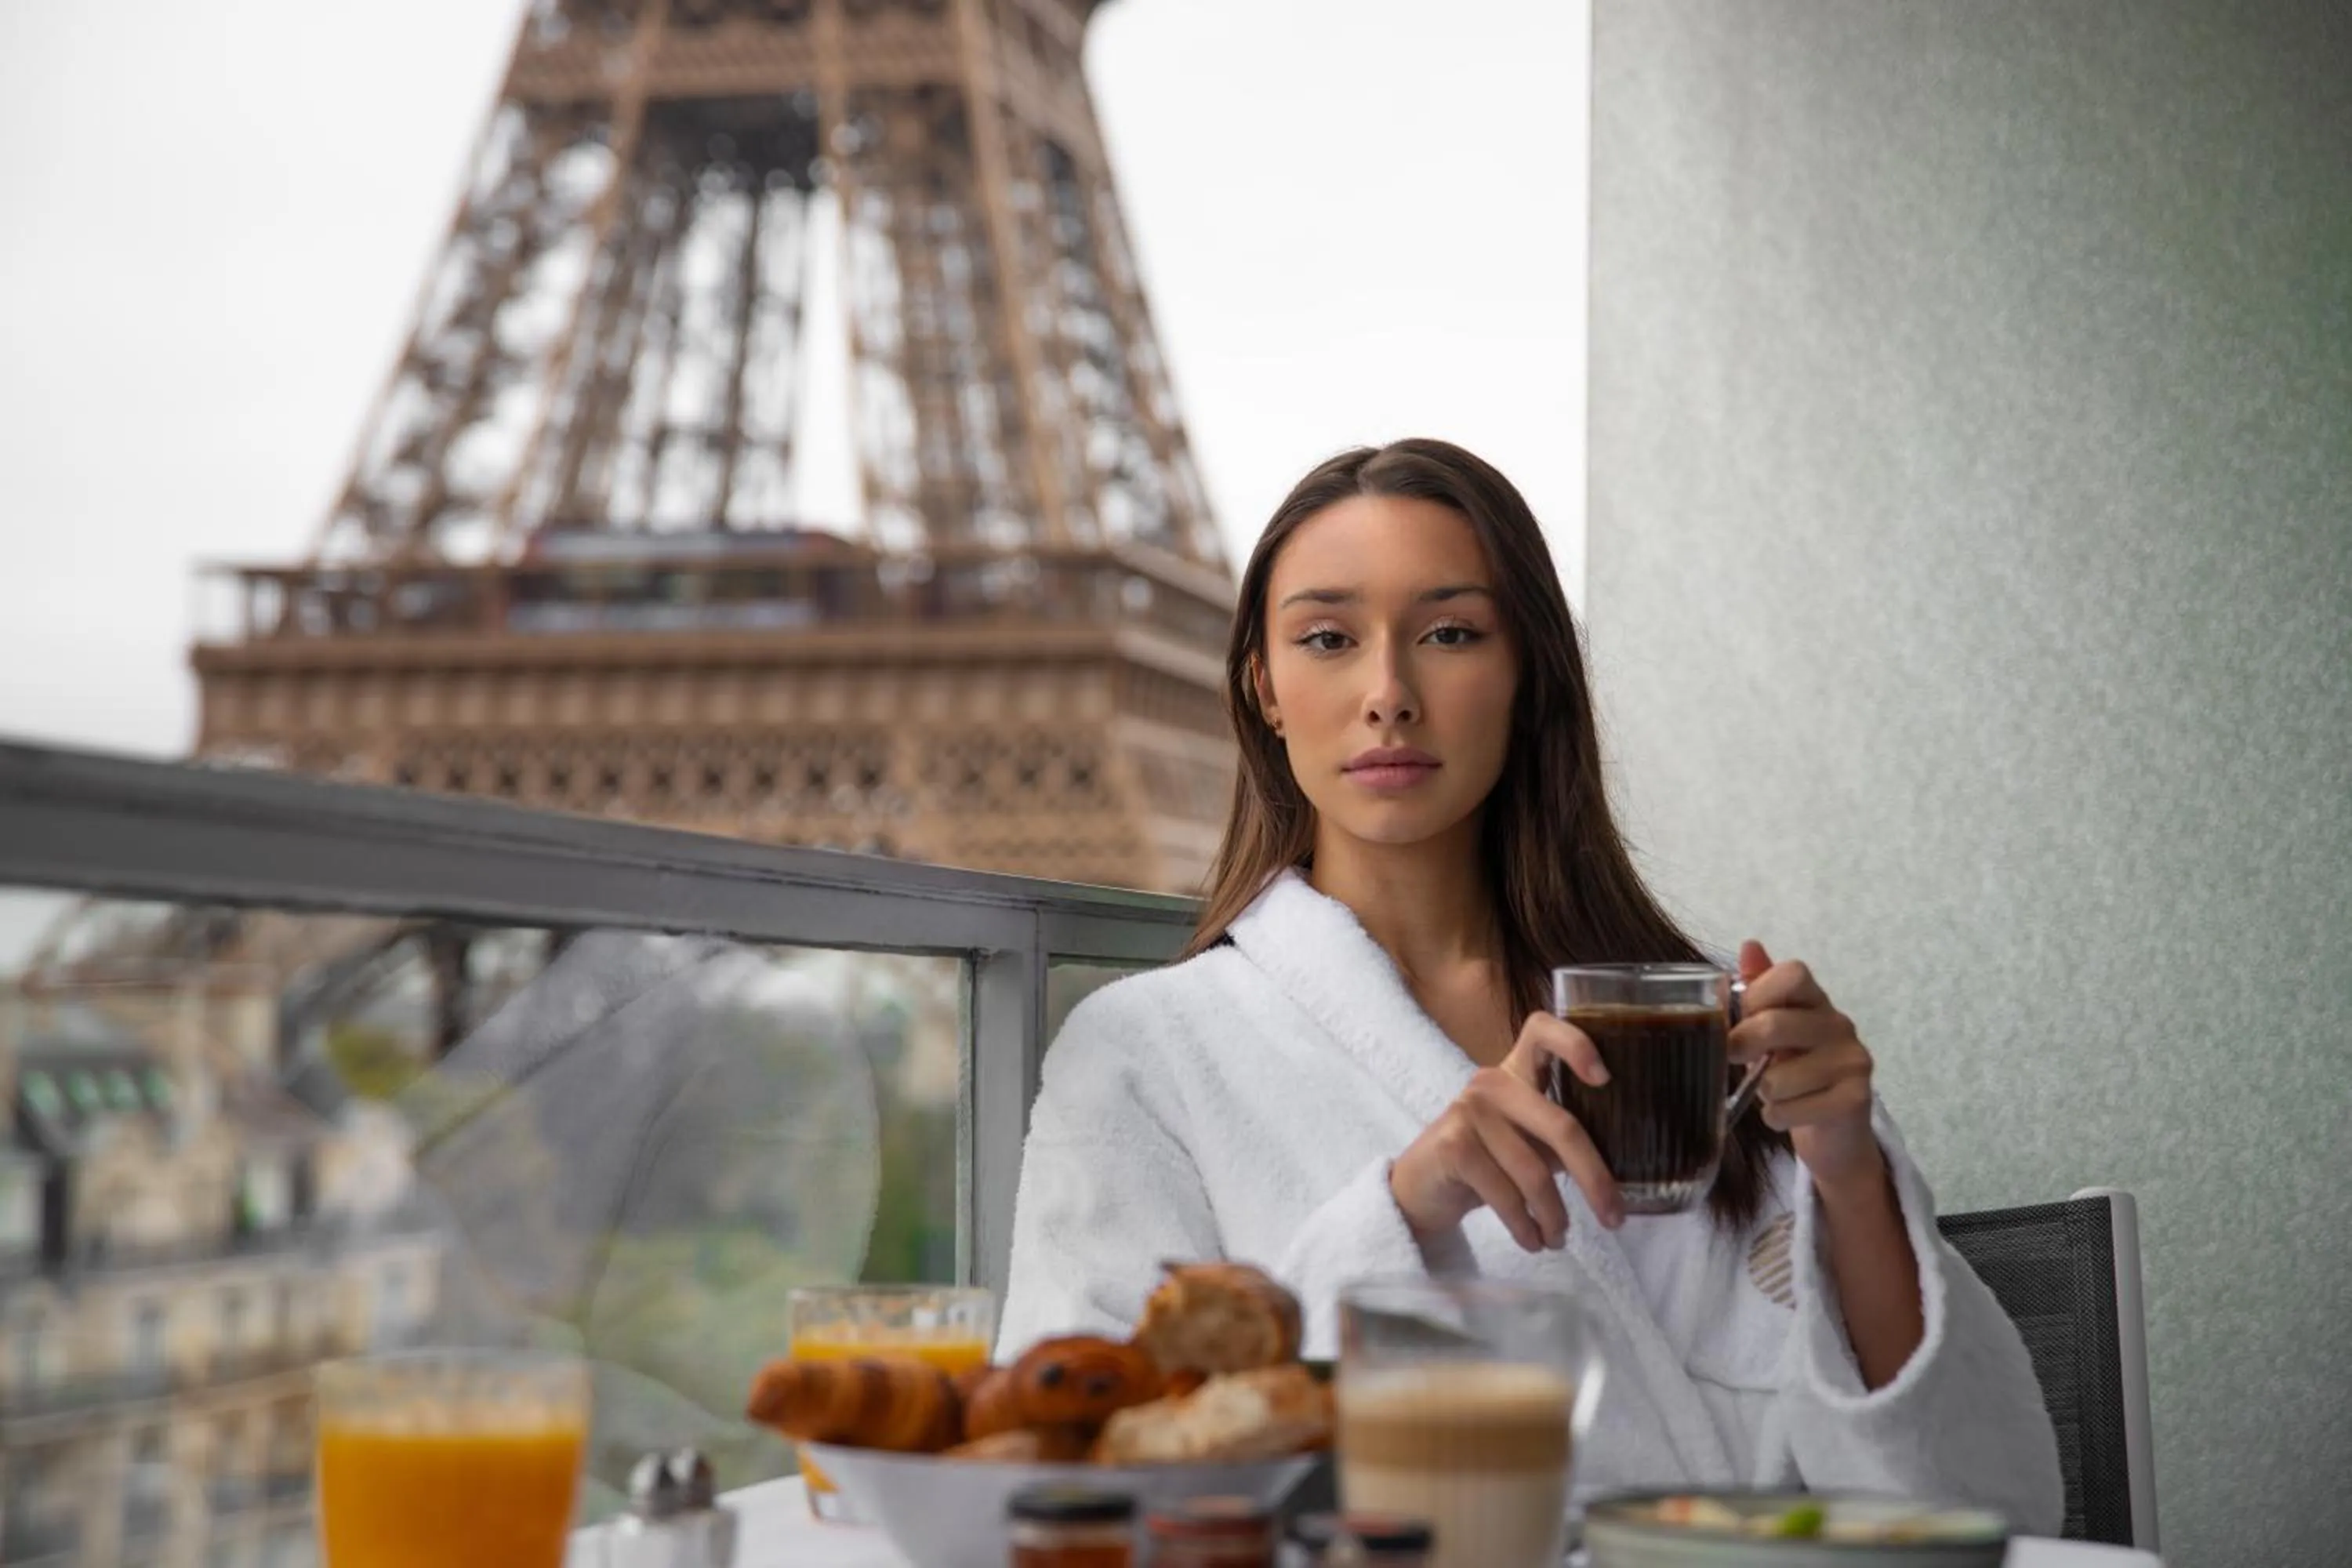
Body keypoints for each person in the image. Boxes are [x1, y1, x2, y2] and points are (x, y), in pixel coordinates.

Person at [997, 439, 2063, 1527]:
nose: (1388, 695)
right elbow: (1067, 1478)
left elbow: (1975, 1499)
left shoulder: (1685, 1031)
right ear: (1266, 689)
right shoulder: (1144, 1053)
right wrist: (1405, 1213)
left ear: (1527, 675)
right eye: (1328, 639)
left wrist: (1847, 1168)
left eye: (1451, 634)